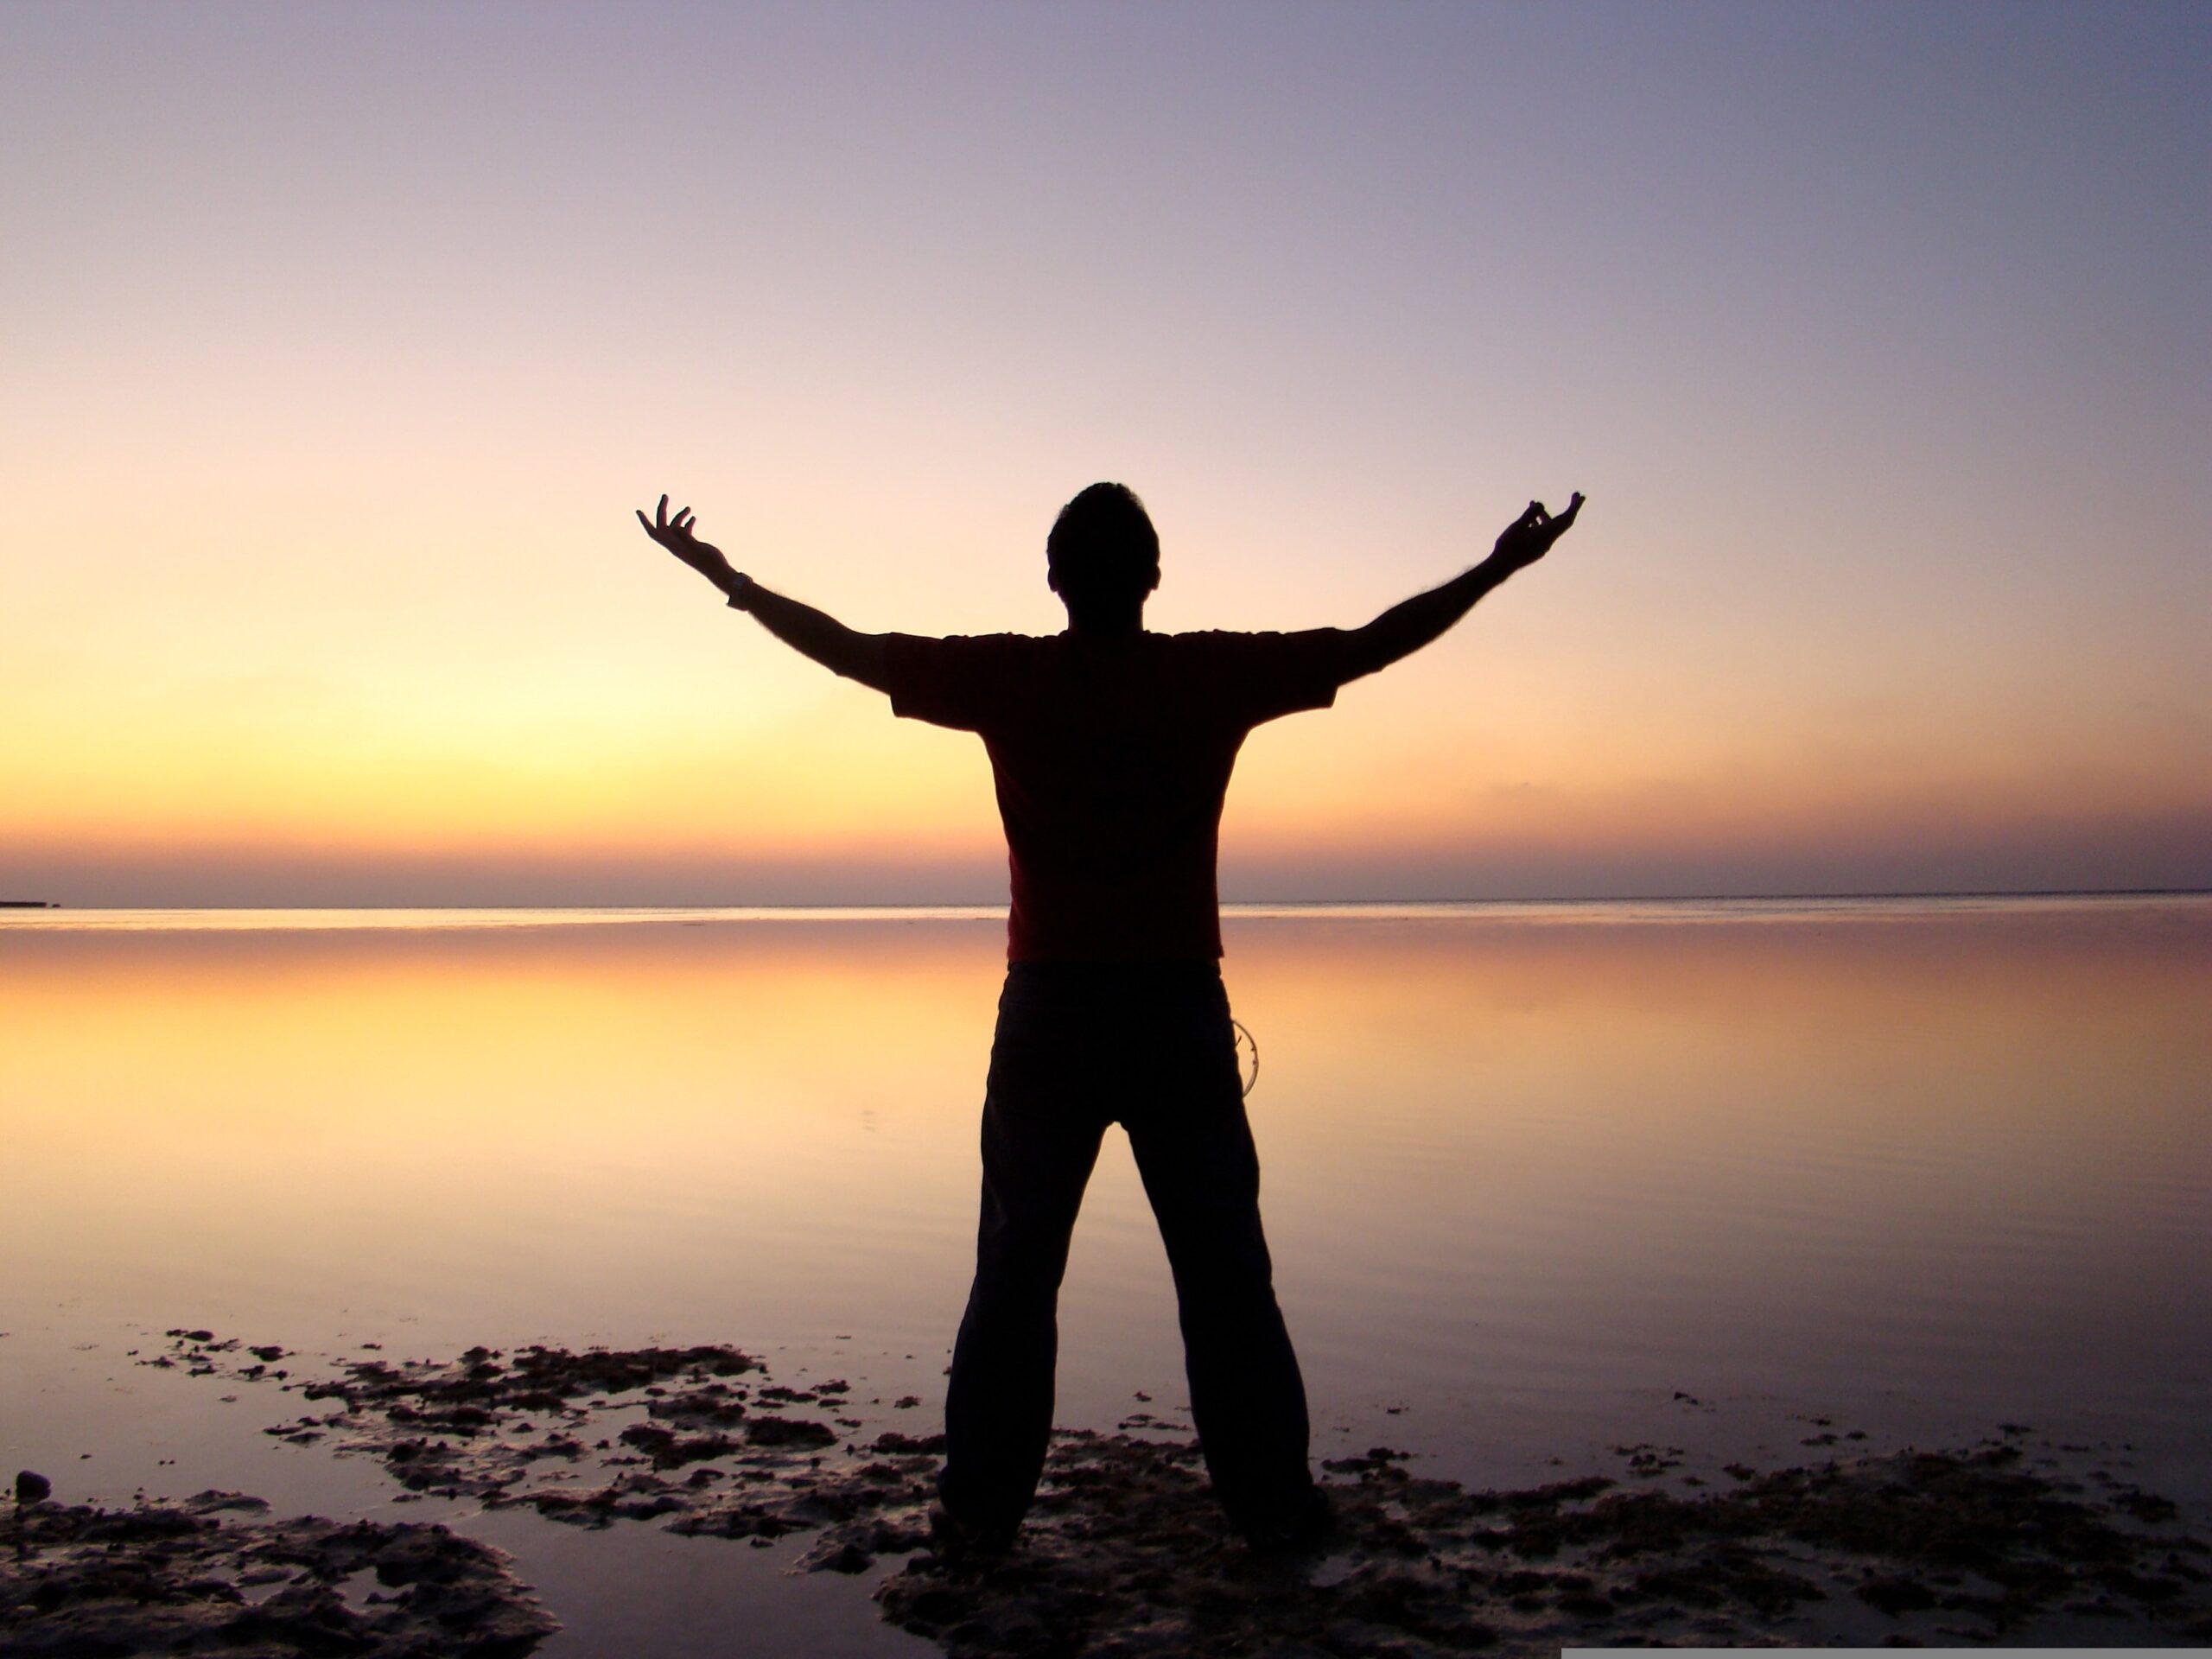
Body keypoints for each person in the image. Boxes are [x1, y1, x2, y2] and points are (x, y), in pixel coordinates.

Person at [635, 481, 1584, 1554]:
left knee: (1017, 1273)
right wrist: (1497, 568)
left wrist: (729, 580)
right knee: (1224, 1276)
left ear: (1054, 580)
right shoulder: (1204, 675)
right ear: (1152, 577)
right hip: (1173, 1010)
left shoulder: (1012, 677)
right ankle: (1272, 1511)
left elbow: (850, 652)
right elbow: (1370, 646)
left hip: (1053, 1014)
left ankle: (980, 1517)